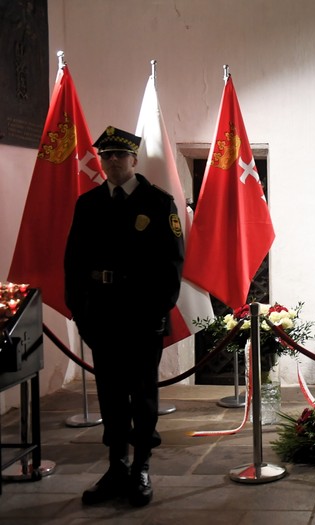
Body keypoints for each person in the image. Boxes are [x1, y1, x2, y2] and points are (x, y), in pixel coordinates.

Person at [65, 126, 184, 507]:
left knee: (142, 394)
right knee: (111, 394)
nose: (112, 161)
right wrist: (79, 313)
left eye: (120, 155)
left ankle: (141, 467)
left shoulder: (157, 202)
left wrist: (158, 312)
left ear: (134, 159)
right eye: (106, 156)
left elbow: (172, 265)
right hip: (101, 315)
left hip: (142, 316)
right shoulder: (89, 204)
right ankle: (116, 465)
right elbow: (73, 262)